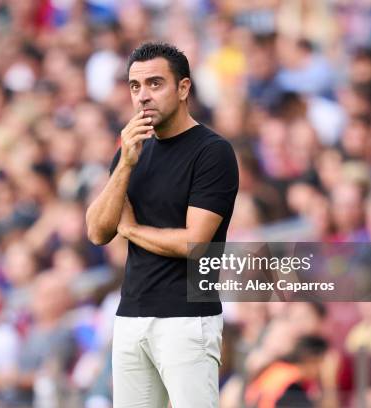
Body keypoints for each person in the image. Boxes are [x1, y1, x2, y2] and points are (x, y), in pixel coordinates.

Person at [86, 42, 239, 408]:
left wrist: (133, 230)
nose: (142, 96)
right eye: (135, 87)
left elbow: (195, 242)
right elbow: (97, 231)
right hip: (130, 315)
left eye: (155, 84)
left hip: (187, 319)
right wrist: (124, 163)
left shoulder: (212, 151)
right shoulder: (130, 151)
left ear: (183, 88)